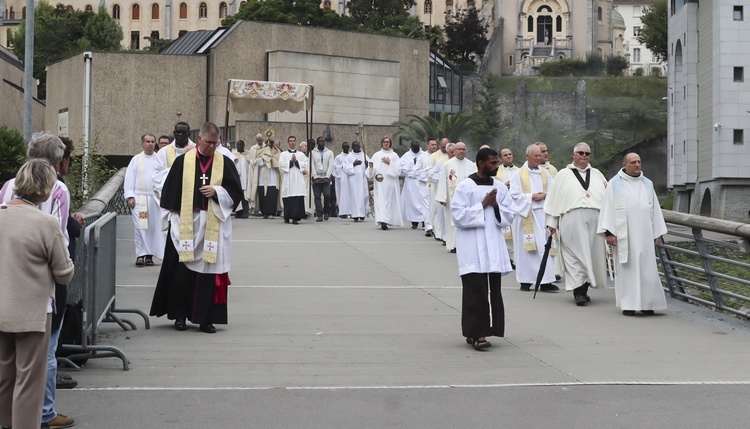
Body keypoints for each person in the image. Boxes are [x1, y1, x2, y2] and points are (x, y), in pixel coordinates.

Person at [0, 133, 77, 429]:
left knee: (5, 372)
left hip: (3, 298)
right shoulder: (47, 223)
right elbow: (63, 270)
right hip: (33, 308)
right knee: (30, 377)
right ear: (45, 190)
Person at [149, 122, 244, 334]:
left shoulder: (225, 162)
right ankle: (180, 316)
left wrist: (217, 191)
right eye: (208, 142)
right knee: (180, 274)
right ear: (199, 139)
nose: (212, 147)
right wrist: (169, 219)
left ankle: (206, 319)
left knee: (208, 275)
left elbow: (236, 193)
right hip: (185, 223)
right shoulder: (183, 161)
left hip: (212, 224)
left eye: (215, 143)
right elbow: (170, 191)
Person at [451, 148, 514, 351]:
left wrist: (495, 206)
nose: (497, 166)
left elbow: (509, 214)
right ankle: (476, 334)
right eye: (493, 163)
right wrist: (482, 205)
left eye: (497, 163)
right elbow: (458, 216)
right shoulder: (465, 186)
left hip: (492, 247)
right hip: (472, 247)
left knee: (492, 291)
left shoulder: (500, 188)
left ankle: (488, 329)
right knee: (474, 292)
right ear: (481, 163)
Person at [597, 152, 668, 316]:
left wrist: (656, 233)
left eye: (639, 162)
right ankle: (629, 304)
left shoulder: (647, 184)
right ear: (625, 165)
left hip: (644, 234)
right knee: (628, 269)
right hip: (625, 236)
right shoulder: (614, 184)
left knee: (647, 269)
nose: (637, 165)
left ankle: (647, 303)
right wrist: (609, 233)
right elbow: (607, 208)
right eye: (633, 162)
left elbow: (655, 210)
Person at [544, 143, 608, 306]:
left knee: (591, 255)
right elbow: (553, 199)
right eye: (581, 153)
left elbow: (608, 196)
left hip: (595, 218)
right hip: (571, 218)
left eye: (587, 153)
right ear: (573, 155)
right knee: (574, 255)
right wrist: (552, 222)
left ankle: (584, 288)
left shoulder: (597, 174)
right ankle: (578, 292)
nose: (584, 156)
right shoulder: (562, 175)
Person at [508, 144, 558, 292]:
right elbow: (514, 195)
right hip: (527, 215)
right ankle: (526, 280)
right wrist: (532, 196)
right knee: (527, 250)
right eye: (535, 156)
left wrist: (545, 195)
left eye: (539, 155)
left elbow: (554, 191)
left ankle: (546, 281)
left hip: (543, 215)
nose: (538, 158)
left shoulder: (545, 173)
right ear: (527, 156)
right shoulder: (518, 174)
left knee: (544, 247)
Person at [124, 133, 166, 266]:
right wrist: (130, 195)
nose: (150, 144)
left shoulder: (159, 160)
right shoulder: (136, 160)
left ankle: (149, 255)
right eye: (147, 141)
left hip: (154, 199)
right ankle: (140, 255)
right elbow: (129, 177)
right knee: (140, 227)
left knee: (153, 227)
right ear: (142, 143)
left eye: (152, 141)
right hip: (140, 199)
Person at [436, 142, 476, 252]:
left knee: (465, 220)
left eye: (464, 149)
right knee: (452, 221)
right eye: (459, 149)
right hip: (452, 197)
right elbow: (443, 181)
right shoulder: (448, 164)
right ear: (455, 150)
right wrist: (442, 197)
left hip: (467, 198)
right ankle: (453, 245)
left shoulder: (470, 164)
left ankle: (465, 245)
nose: (461, 151)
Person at [367, 136, 403, 230]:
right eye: (384, 142)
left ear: (390, 143)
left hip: (390, 183)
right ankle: (382, 220)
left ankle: (386, 220)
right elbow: (370, 172)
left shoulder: (394, 155)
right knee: (381, 201)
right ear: (382, 143)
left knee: (388, 201)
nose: (386, 143)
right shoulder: (376, 155)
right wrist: (371, 167)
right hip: (380, 183)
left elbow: (398, 170)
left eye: (388, 142)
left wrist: (389, 163)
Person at [153, 122, 195, 200]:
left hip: (191, 193)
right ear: (174, 133)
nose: (180, 134)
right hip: (171, 194)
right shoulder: (163, 152)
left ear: (189, 134)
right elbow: (156, 174)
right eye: (178, 132)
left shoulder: (196, 150)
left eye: (183, 132)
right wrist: (174, 171)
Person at [496, 148, 519, 264]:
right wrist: (504, 186)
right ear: (500, 158)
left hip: (516, 205)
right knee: (506, 234)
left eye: (510, 154)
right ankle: (506, 258)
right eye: (505, 155)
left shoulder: (519, 171)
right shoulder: (496, 171)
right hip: (503, 206)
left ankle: (516, 258)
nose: (509, 156)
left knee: (517, 233)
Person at [278, 136, 307, 224]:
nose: (292, 142)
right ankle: (287, 217)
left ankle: (295, 218)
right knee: (288, 197)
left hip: (298, 179)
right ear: (288, 142)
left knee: (297, 198)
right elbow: (281, 165)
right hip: (288, 178)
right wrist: (290, 162)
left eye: (294, 141)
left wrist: (296, 162)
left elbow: (304, 165)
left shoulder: (301, 154)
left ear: (296, 142)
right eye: (290, 141)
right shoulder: (283, 154)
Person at [400, 140, 428, 230]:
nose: (416, 150)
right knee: (412, 202)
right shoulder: (406, 155)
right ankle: (414, 222)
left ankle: (424, 221)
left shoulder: (424, 155)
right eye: (414, 148)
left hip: (421, 180)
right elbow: (401, 167)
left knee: (423, 201)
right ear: (411, 147)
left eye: (417, 148)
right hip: (411, 181)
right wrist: (412, 163)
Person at [343, 141, 370, 222]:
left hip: (362, 179)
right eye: (354, 146)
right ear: (352, 147)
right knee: (355, 197)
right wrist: (353, 164)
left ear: (360, 146)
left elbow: (371, 165)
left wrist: (367, 164)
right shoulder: (349, 157)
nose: (356, 148)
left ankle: (362, 214)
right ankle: (355, 214)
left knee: (364, 196)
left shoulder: (364, 155)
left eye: (357, 146)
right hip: (353, 180)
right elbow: (344, 168)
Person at [310, 136, 334, 222]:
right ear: (317, 143)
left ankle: (326, 211)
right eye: (320, 141)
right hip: (316, 177)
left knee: (327, 195)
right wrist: (315, 177)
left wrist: (327, 176)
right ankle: (319, 214)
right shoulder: (312, 153)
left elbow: (331, 165)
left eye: (323, 141)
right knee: (317, 196)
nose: (322, 143)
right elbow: (311, 165)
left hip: (325, 177)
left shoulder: (330, 152)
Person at [255, 138, 280, 219]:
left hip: (273, 177)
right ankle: (264, 212)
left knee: (272, 196)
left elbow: (279, 161)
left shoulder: (277, 151)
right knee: (263, 195)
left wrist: (273, 159)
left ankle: (271, 213)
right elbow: (258, 162)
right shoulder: (261, 151)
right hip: (263, 176)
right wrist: (265, 158)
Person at [421, 138, 438, 236]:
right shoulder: (422, 157)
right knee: (426, 206)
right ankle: (428, 227)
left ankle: (434, 227)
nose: (434, 146)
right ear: (427, 146)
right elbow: (418, 170)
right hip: (424, 184)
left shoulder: (438, 156)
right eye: (432, 145)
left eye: (435, 145)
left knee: (434, 206)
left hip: (435, 185)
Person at [244, 134, 265, 216]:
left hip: (263, 171)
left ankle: (261, 208)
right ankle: (254, 208)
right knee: (254, 188)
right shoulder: (253, 148)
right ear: (256, 140)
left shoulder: (266, 147)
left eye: (261, 139)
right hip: (255, 170)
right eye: (258, 140)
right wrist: (257, 160)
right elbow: (252, 160)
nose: (260, 141)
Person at [232, 140, 251, 218]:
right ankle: (238, 212)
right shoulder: (233, 154)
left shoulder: (248, 155)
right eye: (237, 145)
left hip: (246, 177)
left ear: (244, 145)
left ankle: (245, 212)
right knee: (238, 195)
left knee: (245, 195)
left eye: (240, 145)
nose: (238, 146)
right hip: (237, 178)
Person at [333, 142, 352, 219]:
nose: (346, 148)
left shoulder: (351, 156)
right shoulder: (338, 157)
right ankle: (343, 211)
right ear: (342, 147)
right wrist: (343, 166)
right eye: (345, 147)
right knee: (342, 194)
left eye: (347, 147)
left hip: (350, 178)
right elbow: (335, 167)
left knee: (351, 195)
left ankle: (351, 211)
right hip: (342, 179)